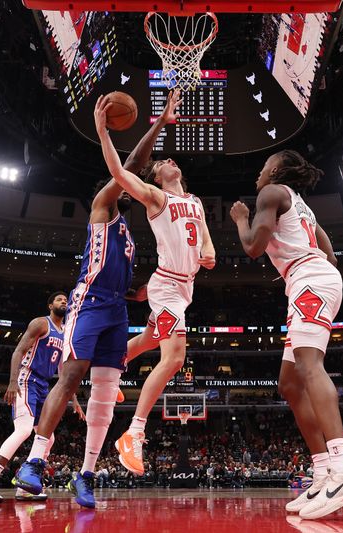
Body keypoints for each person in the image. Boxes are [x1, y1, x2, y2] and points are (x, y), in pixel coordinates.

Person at [14, 90, 180, 508]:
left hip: (116, 308)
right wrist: (156, 123)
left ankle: (85, 474)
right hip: (88, 302)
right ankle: (34, 462)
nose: (128, 183)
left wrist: (135, 292)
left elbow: (115, 272)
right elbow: (134, 166)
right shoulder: (102, 206)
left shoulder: (126, 230)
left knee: (106, 391)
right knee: (70, 376)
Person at [229, 150, 343, 520]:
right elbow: (332, 257)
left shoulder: (271, 193)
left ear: (276, 171)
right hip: (310, 280)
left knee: (309, 368)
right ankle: (323, 470)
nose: (258, 174)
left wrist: (241, 220)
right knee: (289, 385)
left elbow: (252, 248)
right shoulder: (302, 206)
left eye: (263, 167)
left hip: (309, 282)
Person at [91, 93, 217, 476]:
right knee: (174, 358)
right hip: (165, 286)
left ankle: (108, 363)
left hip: (185, 287)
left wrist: (209, 255)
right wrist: (102, 131)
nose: (170, 161)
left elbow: (206, 239)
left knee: (146, 342)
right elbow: (119, 174)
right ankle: (134, 433)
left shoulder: (195, 201)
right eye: (163, 162)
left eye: (171, 160)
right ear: (156, 176)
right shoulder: (154, 197)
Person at [0, 292, 82, 503]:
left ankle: (25, 484)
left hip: (44, 385)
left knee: (47, 437)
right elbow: (18, 351)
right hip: (27, 378)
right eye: (59, 299)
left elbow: (63, 370)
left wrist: (73, 398)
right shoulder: (41, 323)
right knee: (23, 430)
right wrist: (13, 382)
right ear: (50, 305)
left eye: (66, 300)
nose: (64, 302)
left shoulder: (65, 332)